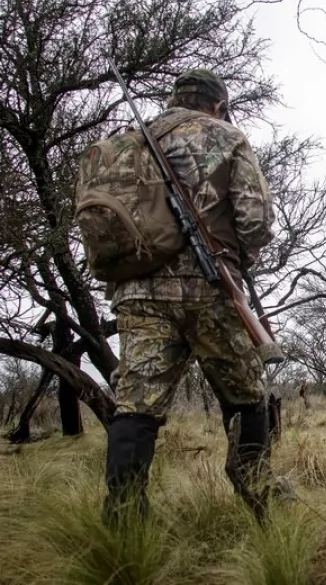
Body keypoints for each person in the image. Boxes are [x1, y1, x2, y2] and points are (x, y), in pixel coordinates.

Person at [96, 69, 277, 524]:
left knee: (136, 404)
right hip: (209, 288)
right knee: (247, 395)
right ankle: (259, 493)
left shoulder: (128, 142)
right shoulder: (226, 136)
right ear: (219, 105)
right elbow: (256, 222)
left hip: (137, 293)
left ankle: (123, 523)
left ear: (174, 99)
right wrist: (235, 265)